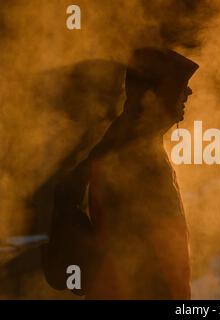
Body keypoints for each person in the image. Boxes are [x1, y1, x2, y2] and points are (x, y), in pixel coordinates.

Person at [43, 47, 199, 299]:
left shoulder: (133, 140)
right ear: (155, 96)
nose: (188, 95)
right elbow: (141, 250)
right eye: (180, 87)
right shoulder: (131, 151)